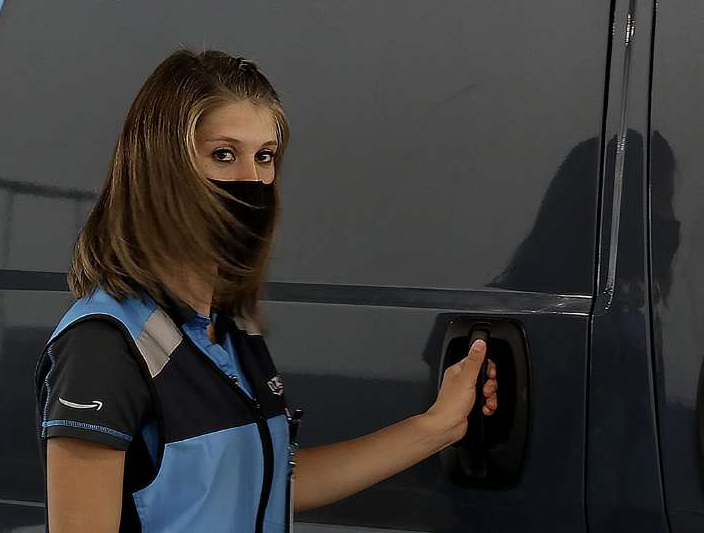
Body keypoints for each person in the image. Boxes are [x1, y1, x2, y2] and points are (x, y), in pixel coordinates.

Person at [33, 48, 499, 533]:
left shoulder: (230, 327)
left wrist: (439, 425)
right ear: (160, 169)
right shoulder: (104, 346)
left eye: (265, 156)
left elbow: (262, 484)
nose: (251, 181)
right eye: (223, 155)